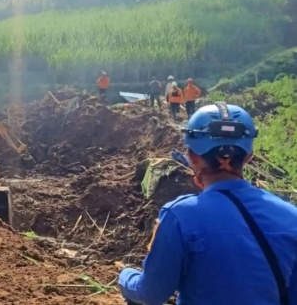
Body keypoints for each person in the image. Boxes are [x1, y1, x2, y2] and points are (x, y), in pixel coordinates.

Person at [119, 102, 297, 305]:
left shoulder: (180, 216)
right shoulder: (291, 216)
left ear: (191, 156)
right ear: (248, 157)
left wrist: (125, 277)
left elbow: (151, 293)